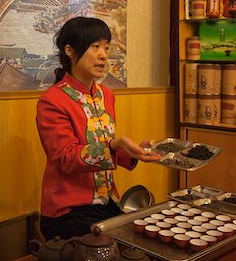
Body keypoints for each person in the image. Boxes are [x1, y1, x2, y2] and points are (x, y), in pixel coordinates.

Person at [36, 17, 161, 240]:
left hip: (106, 202)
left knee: (148, 236)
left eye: (106, 47)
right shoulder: (52, 100)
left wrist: (134, 151)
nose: (103, 55)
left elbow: (105, 146)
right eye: (95, 47)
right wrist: (114, 145)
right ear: (70, 51)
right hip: (68, 212)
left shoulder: (106, 95)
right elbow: (65, 157)